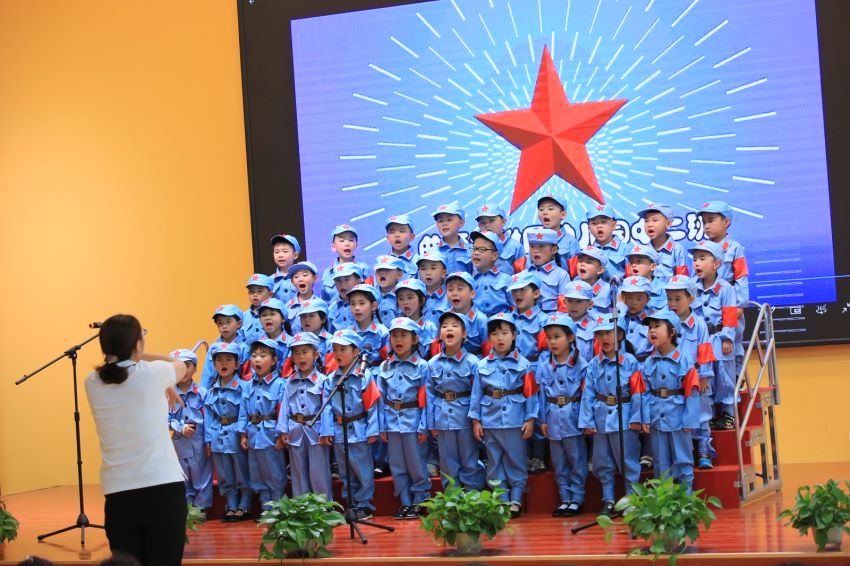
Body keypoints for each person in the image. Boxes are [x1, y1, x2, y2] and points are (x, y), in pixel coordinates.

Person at [85, 314, 188, 566]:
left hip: (119, 494)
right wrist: (145, 358)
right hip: (163, 488)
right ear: (137, 344)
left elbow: (122, 369)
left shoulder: (92, 382)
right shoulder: (153, 374)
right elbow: (180, 364)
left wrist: (132, 351)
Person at [469, 312, 538, 518]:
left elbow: (530, 394)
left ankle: (516, 498)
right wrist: (476, 420)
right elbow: (476, 395)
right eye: (495, 334)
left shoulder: (524, 364)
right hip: (490, 420)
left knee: (516, 459)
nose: (500, 338)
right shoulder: (481, 365)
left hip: (515, 419)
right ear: (489, 337)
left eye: (505, 333)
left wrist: (530, 418)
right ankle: (501, 499)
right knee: (494, 461)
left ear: (514, 335)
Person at [578, 314, 647, 517]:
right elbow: (588, 394)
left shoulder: (631, 362)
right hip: (601, 418)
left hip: (624, 417)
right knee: (602, 461)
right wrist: (587, 421)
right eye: (600, 334)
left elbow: (638, 393)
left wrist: (636, 418)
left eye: (609, 333)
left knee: (628, 460)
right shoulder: (593, 365)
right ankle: (608, 499)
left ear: (620, 335)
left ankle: (631, 499)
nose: (604, 338)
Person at [377, 317, 431, 520]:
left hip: (413, 421)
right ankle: (405, 501)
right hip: (392, 422)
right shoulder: (385, 367)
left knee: (416, 464)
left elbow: (426, 399)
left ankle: (420, 500)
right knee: (397, 465)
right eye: (394, 336)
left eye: (403, 335)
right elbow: (380, 399)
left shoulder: (422, 366)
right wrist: (382, 426)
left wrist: (423, 426)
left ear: (414, 339)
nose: (398, 340)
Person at [642, 309, 701, 492]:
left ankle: (686, 498)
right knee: (660, 462)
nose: (652, 331)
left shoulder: (684, 361)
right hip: (657, 418)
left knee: (683, 459)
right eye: (650, 327)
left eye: (657, 326)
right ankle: (663, 498)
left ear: (672, 332)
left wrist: (690, 419)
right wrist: (645, 417)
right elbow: (645, 393)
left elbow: (692, 391)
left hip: (679, 418)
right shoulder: (648, 363)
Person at [426, 311, 485, 491]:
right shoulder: (432, 363)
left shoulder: (473, 362)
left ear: (464, 333)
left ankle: (472, 496)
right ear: (439, 334)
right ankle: (452, 498)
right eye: (444, 326)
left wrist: (476, 420)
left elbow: (477, 394)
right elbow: (429, 394)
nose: (449, 329)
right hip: (442, 417)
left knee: (469, 459)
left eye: (454, 325)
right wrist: (431, 423)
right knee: (447, 461)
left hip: (465, 417)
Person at [327, 329, 382, 519]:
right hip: (339, 430)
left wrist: (373, 430)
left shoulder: (363, 376)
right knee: (345, 471)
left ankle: (364, 504)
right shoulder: (331, 379)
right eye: (335, 349)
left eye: (343, 349)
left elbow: (372, 404)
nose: (338, 354)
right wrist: (327, 431)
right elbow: (327, 409)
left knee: (362, 469)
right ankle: (350, 503)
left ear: (356, 351)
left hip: (359, 429)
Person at [538, 314, 588, 517]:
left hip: (572, 417)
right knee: (559, 463)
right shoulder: (544, 366)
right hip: (552, 418)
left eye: (557, 336)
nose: (553, 342)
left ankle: (577, 498)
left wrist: (585, 420)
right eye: (549, 337)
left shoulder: (581, 365)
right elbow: (541, 395)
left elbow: (586, 395)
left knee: (576, 460)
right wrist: (542, 420)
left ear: (570, 338)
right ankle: (564, 498)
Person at [666, 275, 717, 469]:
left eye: (677, 299)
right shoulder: (665, 323)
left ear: (691, 299)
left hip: (696, 377)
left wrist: (704, 376)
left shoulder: (699, 324)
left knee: (701, 415)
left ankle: (704, 451)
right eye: (669, 299)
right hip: (674, 379)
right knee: (680, 417)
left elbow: (705, 350)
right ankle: (683, 455)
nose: (673, 303)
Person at [275, 333, 334, 499]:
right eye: (296, 353)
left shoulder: (323, 381)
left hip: (316, 432)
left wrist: (326, 432)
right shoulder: (289, 381)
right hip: (295, 431)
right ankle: (301, 507)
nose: (301, 357)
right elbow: (284, 407)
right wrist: (282, 430)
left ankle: (323, 507)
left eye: (305, 352)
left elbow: (327, 408)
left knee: (319, 472)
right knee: (298, 473)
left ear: (316, 354)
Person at [690, 240, 738, 431]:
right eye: (694, 259)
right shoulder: (691, 287)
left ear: (716, 264)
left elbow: (730, 315)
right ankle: (708, 415)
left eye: (702, 259)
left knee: (724, 377)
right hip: (701, 341)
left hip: (719, 337)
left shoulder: (725, 288)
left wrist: (727, 338)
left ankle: (728, 414)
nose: (697, 263)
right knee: (706, 377)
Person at [203, 342, 252, 521]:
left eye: (229, 359)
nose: (223, 363)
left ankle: (244, 505)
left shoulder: (244, 387)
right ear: (214, 365)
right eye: (219, 360)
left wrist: (243, 433)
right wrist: (208, 439)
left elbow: (246, 412)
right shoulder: (211, 390)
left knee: (241, 470)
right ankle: (231, 505)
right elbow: (208, 416)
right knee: (224, 473)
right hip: (218, 435)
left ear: (237, 364)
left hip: (235, 434)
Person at [698, 201, 749, 374]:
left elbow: (741, 276)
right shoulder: (702, 249)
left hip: (729, 303)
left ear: (726, 222)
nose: (706, 226)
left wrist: (740, 305)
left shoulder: (734, 248)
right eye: (704, 222)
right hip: (709, 302)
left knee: (733, 343)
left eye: (711, 220)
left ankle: (736, 376)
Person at [239, 338, 287, 508]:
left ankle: (277, 507)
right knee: (257, 473)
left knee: (274, 472)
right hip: (253, 435)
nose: (257, 360)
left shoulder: (280, 385)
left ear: (274, 361)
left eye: (263, 356)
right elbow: (243, 411)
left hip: (270, 435)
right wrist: (243, 434)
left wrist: (281, 434)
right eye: (254, 356)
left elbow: (282, 412)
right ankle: (265, 506)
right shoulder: (248, 386)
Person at [167, 348, 212, 510]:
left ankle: (201, 509)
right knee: (183, 476)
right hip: (179, 441)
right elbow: (165, 418)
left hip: (199, 440)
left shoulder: (202, 393)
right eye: (177, 366)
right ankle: (187, 509)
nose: (183, 371)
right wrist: (180, 427)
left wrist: (208, 441)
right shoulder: (168, 394)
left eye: (187, 365)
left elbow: (209, 419)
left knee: (202, 476)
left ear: (195, 368)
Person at [636, 203, 690, 281]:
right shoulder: (642, 251)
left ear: (668, 224)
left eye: (654, 220)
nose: (649, 225)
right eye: (646, 221)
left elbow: (683, 280)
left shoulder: (677, 249)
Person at [320, 224, 370, 303]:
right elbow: (324, 301)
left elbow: (370, 295)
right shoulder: (328, 273)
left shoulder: (364, 269)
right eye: (341, 240)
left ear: (356, 246)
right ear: (333, 247)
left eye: (351, 240)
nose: (347, 244)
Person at [524, 227, 570, 313]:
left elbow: (564, 306)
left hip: (552, 319)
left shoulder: (561, 275)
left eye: (541, 246)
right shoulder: (524, 275)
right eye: (532, 246)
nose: (535, 250)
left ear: (554, 250)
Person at [470, 230, 513, 316]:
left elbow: (515, 306)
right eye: (474, 248)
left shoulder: (506, 280)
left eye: (482, 249)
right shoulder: (469, 281)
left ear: (494, 256)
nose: (476, 252)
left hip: (500, 322)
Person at [475, 203, 524, 275]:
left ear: (503, 222)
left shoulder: (515, 247)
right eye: (482, 222)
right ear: (479, 225)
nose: (487, 225)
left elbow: (522, 276)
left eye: (491, 220)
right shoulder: (474, 248)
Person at [587, 204, 626, 282]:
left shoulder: (625, 249)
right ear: (589, 229)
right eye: (594, 223)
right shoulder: (587, 253)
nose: (599, 226)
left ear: (614, 225)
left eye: (604, 222)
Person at [432, 202, 472, 274]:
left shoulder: (471, 251)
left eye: (449, 220)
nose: (444, 224)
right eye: (440, 221)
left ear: (461, 223)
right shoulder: (432, 253)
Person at [284, 261, 320, 334]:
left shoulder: (320, 305)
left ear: (315, 278)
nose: (300, 279)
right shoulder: (287, 306)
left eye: (305, 275)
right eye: (296, 277)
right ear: (292, 282)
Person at [243, 274, 275, 345]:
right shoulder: (243, 316)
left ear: (270, 294)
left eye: (260, 291)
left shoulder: (275, 314)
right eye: (251, 291)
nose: (255, 294)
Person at [269, 233, 301, 303]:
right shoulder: (269, 281)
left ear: (295, 255)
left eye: (285, 251)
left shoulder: (301, 278)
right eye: (276, 252)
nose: (280, 255)